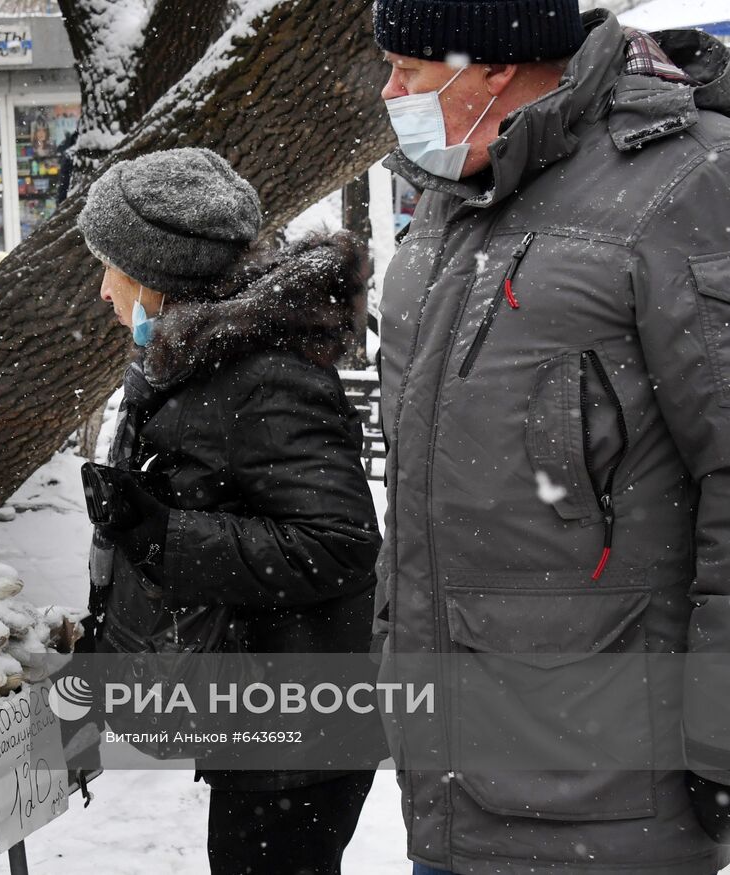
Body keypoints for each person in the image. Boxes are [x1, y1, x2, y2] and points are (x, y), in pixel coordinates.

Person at [370, 3, 730, 874]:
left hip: (606, 787)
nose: (390, 93)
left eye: (409, 69)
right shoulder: (452, 201)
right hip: (457, 774)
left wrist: (723, 734)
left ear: (493, 66)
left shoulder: (682, 184)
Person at [77, 147, 383, 875]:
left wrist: (167, 536)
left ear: (158, 277)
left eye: (110, 268)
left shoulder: (262, 377)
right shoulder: (202, 362)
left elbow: (341, 540)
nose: (101, 292)